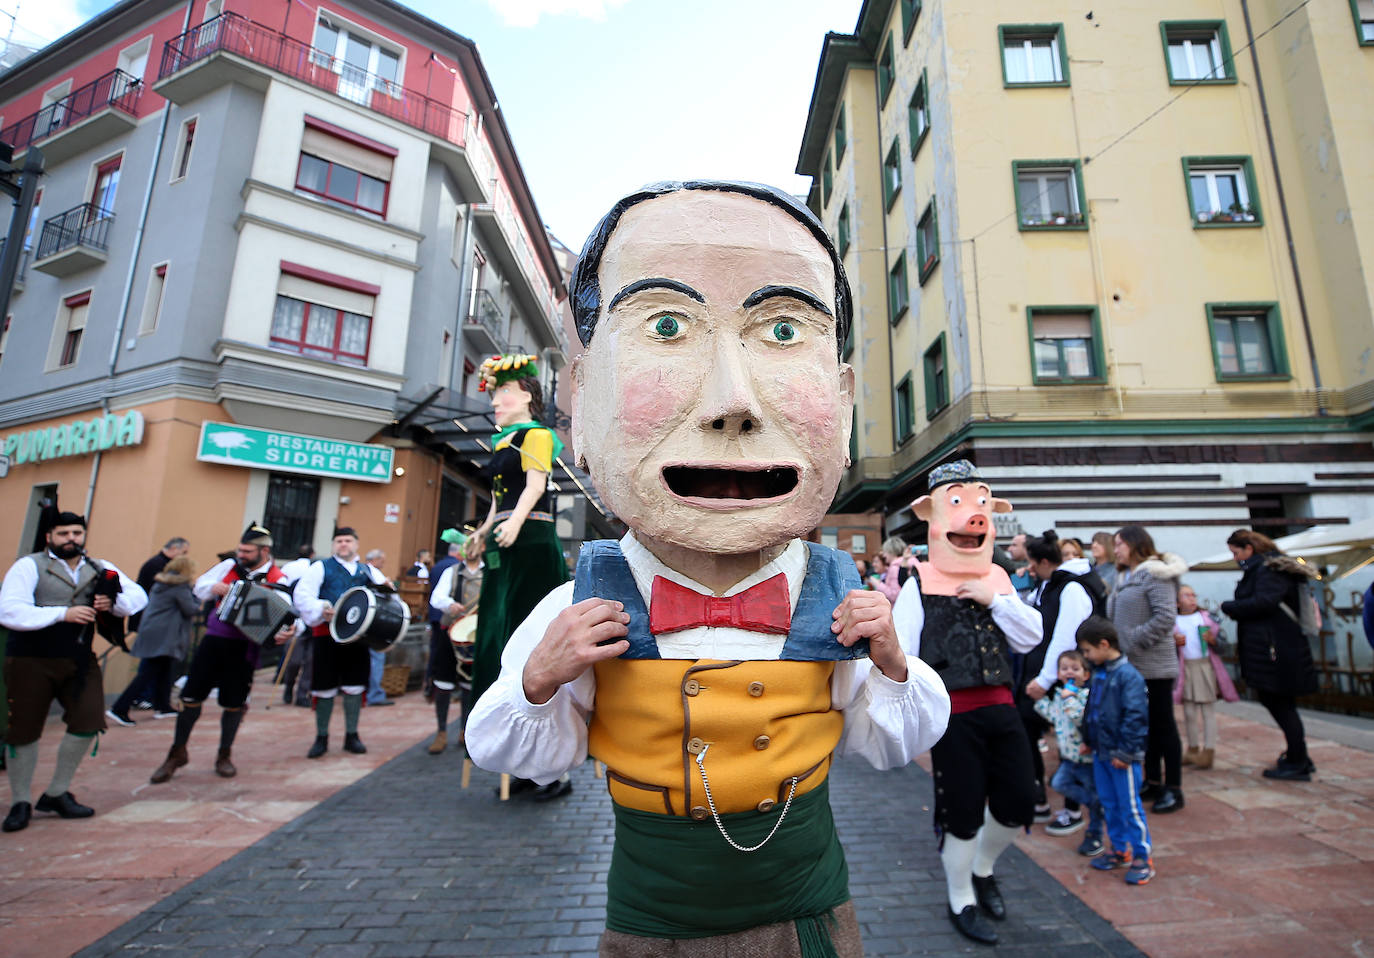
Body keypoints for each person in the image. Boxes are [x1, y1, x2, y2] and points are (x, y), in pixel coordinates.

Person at [468, 180, 950, 956]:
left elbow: (888, 746)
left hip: (812, 923)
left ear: (844, 403)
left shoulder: (836, 596)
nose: (734, 400)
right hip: (652, 933)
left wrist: (894, 665)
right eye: (666, 325)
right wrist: (539, 678)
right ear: (580, 402)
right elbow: (505, 748)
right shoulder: (582, 601)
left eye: (786, 330)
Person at [892, 460, 1041, 946]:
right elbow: (904, 654)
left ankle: (984, 867)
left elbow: (1029, 638)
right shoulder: (917, 582)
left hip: (1001, 707)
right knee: (962, 811)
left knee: (1019, 799)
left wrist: (993, 599)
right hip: (953, 717)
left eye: (979, 504)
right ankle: (961, 896)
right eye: (957, 502)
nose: (972, 517)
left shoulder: (998, 578)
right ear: (933, 514)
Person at [1, 503, 147, 832]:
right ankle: (20, 801)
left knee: (89, 720)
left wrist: (114, 603)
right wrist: (61, 614)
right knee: (23, 730)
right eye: (64, 533)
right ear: (49, 536)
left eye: (77, 533)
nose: (71, 538)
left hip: (79, 657)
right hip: (30, 657)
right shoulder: (29, 566)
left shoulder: (99, 566)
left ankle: (56, 792)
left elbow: (137, 597)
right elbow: (9, 610)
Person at [464, 351, 571, 771]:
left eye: (503, 392)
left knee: (526, 626)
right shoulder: (500, 441)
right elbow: (497, 500)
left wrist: (514, 524)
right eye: (494, 394)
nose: (496, 402)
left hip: (531, 537)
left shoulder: (537, 436)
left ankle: (541, 734)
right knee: (494, 623)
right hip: (506, 539)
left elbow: (535, 486)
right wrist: (483, 531)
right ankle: (491, 721)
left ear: (526, 394)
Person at [149, 523, 292, 783]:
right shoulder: (228, 568)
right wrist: (214, 588)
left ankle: (224, 755)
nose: (242, 555)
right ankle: (176, 753)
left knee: (234, 703)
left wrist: (286, 632)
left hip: (244, 648)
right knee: (191, 695)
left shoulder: (278, 580)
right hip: (214, 641)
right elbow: (200, 586)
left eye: (247, 551)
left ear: (264, 551)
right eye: (240, 549)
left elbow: (289, 615)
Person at [1021, 531, 1106, 832]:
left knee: (1072, 743)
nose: (1028, 569)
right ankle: (1040, 800)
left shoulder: (1071, 588)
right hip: (1047, 676)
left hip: (1065, 679)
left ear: (1044, 561)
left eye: (1032, 562)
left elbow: (1064, 638)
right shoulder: (1048, 585)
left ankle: (1076, 809)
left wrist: (1045, 679)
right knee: (1032, 731)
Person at [1220, 529, 1320, 781]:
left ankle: (1298, 761)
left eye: (1235, 552)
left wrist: (1229, 607)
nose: (1235, 558)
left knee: (1280, 703)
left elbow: (1265, 602)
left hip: (1275, 649)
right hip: (1273, 647)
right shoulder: (1267, 569)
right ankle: (1299, 755)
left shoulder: (1268, 570)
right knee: (1280, 703)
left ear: (1249, 549)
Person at [1108, 525, 1186, 813]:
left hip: (1154, 665)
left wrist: (1132, 640)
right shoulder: (1125, 575)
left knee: (1164, 726)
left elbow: (1166, 616)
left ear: (1134, 544)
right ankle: (1153, 781)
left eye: (1119, 544)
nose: (1115, 549)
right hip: (1132, 664)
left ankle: (1174, 788)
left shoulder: (1156, 573)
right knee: (1147, 727)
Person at [293, 526, 390, 757]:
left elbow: (385, 598)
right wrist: (321, 608)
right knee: (323, 686)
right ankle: (322, 737)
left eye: (347, 540)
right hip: (327, 636)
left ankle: (351, 735)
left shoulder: (368, 571)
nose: (343, 544)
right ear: (334, 544)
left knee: (355, 685)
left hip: (358, 639)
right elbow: (302, 595)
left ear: (356, 544)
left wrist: (389, 591)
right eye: (339, 540)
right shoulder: (320, 567)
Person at [1078, 616, 1154, 885]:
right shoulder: (1100, 673)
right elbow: (1092, 710)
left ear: (1104, 644)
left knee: (1130, 807)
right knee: (1109, 804)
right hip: (1101, 752)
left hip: (1122, 756)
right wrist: (1088, 738)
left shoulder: (1128, 676)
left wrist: (1126, 752)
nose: (1086, 656)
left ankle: (1143, 856)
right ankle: (1120, 849)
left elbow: (1135, 717)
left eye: (1087, 650)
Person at [107, 555, 197, 725]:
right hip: (166, 635)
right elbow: (190, 608)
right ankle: (120, 708)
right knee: (149, 672)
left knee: (162, 669)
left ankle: (162, 706)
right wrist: (197, 597)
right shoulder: (180, 587)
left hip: (152, 631)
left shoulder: (162, 583)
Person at [1033, 650, 1104, 857]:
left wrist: (1070, 697)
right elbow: (1053, 716)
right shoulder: (1060, 695)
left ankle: (1095, 833)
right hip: (1068, 758)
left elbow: (1078, 718)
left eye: (1075, 668)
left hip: (1085, 759)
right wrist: (1039, 701)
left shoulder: (1084, 696)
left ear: (1085, 674)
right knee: (1057, 783)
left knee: (1091, 792)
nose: (1069, 672)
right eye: (1064, 669)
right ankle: (1094, 803)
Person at [1171, 584, 1238, 770]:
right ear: (1176, 602)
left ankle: (1209, 750)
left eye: (1193, 595)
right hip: (1186, 669)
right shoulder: (1172, 622)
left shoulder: (1207, 618)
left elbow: (1223, 645)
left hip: (1205, 666)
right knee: (1189, 712)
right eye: (1186, 596)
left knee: (1208, 710)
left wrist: (1213, 641)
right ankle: (1192, 749)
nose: (1192, 599)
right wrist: (1173, 643)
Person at [427, 535, 483, 753]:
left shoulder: (490, 574)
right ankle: (441, 732)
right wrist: (450, 605)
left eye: (475, 545)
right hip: (448, 634)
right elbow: (436, 598)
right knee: (443, 681)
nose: (471, 550)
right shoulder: (451, 572)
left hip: (475, 635)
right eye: (467, 546)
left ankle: (464, 730)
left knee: (470, 683)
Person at [276, 544, 315, 707]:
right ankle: (289, 686)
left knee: (311, 661)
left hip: (313, 625)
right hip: (296, 624)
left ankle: (302, 695)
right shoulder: (295, 581)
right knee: (294, 660)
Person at [131, 537, 189, 631]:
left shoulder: (161, 563)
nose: (184, 557)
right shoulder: (157, 565)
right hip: (149, 616)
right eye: (184, 552)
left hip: (151, 616)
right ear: (174, 548)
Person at [363, 548, 394, 707]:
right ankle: (374, 693)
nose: (384, 562)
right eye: (382, 559)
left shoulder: (365, 571)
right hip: (374, 622)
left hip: (368, 622)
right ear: (374, 559)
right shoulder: (370, 572)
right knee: (376, 656)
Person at [873, 536, 908, 603]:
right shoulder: (904, 563)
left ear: (890, 551)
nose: (884, 555)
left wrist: (878, 584)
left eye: (885, 552)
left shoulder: (895, 568)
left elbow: (894, 596)